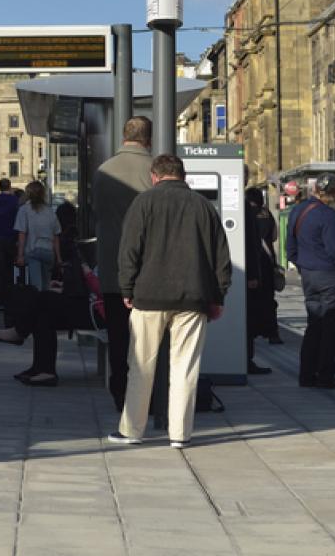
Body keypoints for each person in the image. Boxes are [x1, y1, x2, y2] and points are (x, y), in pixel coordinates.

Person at [107, 154, 232, 451]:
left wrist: (126, 288)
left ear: (154, 175)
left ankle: (132, 430)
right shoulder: (203, 206)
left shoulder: (143, 203)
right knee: (185, 367)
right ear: (183, 175)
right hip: (193, 297)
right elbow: (221, 257)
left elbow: (129, 250)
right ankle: (180, 434)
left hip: (148, 296)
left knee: (140, 365)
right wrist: (218, 295)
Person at [82, 117, 154, 412]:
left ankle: (120, 392)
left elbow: (96, 212)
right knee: (149, 340)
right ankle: (149, 396)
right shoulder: (155, 169)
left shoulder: (103, 171)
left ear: (124, 136)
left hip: (113, 269)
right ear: (149, 139)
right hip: (148, 271)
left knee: (118, 337)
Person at [294, 173, 335, 389]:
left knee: (314, 324)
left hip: (309, 275)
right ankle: (325, 375)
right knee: (330, 326)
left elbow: (291, 248)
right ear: (332, 192)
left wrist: (304, 267)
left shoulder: (298, 211)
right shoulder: (329, 216)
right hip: (331, 277)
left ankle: (306, 374)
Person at [246, 188, 282, 366]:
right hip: (268, 263)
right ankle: (272, 333)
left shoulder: (245, 212)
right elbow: (275, 236)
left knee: (251, 303)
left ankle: (253, 334)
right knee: (269, 299)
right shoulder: (266, 214)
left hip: (252, 263)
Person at [15, 180, 63, 296]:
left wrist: (20, 255)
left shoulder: (24, 210)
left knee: (36, 286)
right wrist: (59, 258)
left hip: (33, 250)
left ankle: (37, 309)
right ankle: (45, 309)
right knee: (46, 285)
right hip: (48, 252)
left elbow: (22, 233)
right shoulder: (50, 211)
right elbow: (56, 236)